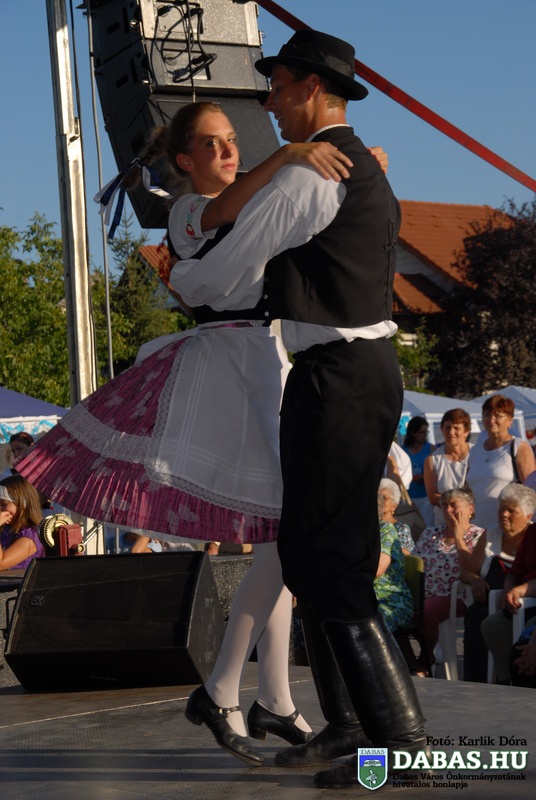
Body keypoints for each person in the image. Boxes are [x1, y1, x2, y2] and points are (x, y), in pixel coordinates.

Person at [17, 100, 391, 766]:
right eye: (213, 144)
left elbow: (305, 219)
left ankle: (272, 696)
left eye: (231, 141)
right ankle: (224, 690)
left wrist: (356, 176)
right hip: (229, 370)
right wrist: (291, 155)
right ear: (185, 161)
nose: (228, 151)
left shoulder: (261, 202)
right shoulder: (189, 211)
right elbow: (232, 210)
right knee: (285, 536)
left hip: (266, 362)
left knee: (280, 538)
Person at [172, 29, 429, 789]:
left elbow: (218, 275)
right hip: (350, 374)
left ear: (311, 88)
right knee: (315, 555)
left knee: (329, 564)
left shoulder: (311, 178)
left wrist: (187, 279)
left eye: (279, 87)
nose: (272, 104)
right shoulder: (350, 169)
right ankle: (349, 728)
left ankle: (403, 750)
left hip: (337, 377)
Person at [461, 482, 536, 682]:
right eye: (501, 509)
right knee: (477, 616)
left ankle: (513, 676)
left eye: (512, 511)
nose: (504, 514)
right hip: (493, 597)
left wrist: (515, 591)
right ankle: (482, 679)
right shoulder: (491, 534)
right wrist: (476, 580)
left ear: (528, 516)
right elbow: (468, 571)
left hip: (523, 600)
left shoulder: (530, 534)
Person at [412, 488, 484, 668]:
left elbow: (469, 568)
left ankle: (424, 661)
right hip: (421, 592)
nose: (448, 510)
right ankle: (408, 659)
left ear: (470, 509)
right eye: (444, 505)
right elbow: (413, 562)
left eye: (453, 505)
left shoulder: (479, 536)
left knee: (425, 612)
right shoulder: (430, 533)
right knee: (388, 611)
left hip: (454, 596)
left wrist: (458, 535)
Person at [467, 394, 535, 530]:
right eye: (487, 415)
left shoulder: (519, 447)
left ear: (510, 420)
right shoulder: (475, 450)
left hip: (506, 527)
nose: (491, 420)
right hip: (476, 526)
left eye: (498, 416)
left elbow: (531, 491)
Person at [481, 521, 536, 683]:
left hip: (531, 601)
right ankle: (508, 680)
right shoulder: (532, 532)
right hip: (524, 602)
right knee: (492, 625)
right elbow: (515, 572)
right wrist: (510, 588)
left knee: (528, 632)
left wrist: (520, 590)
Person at [424, 408, 472, 526]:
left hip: (475, 521)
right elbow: (432, 496)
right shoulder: (432, 460)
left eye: (456, 428)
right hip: (444, 523)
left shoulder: (477, 453)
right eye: (447, 427)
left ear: (466, 431)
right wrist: (456, 505)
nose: (451, 432)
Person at [375, 492, 414, 630]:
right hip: (358, 599)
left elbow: (377, 570)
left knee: (367, 624)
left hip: (388, 602)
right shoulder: (351, 533)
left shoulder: (386, 530)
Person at [0, 475, 44, 570]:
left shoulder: (31, 536)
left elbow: (1, 563)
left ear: (23, 505)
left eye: (3, 504)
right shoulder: (6, 529)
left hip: (18, 580)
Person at [402, 416, 434, 525]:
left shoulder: (431, 449)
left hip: (426, 497)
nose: (425, 435)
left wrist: (424, 476)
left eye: (426, 432)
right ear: (413, 433)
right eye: (421, 432)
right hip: (408, 498)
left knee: (427, 526)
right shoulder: (402, 451)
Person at [378, 478, 414, 553]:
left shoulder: (401, 529)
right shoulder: (368, 525)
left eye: (384, 498)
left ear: (394, 506)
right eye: (377, 496)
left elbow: (405, 555)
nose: (379, 500)